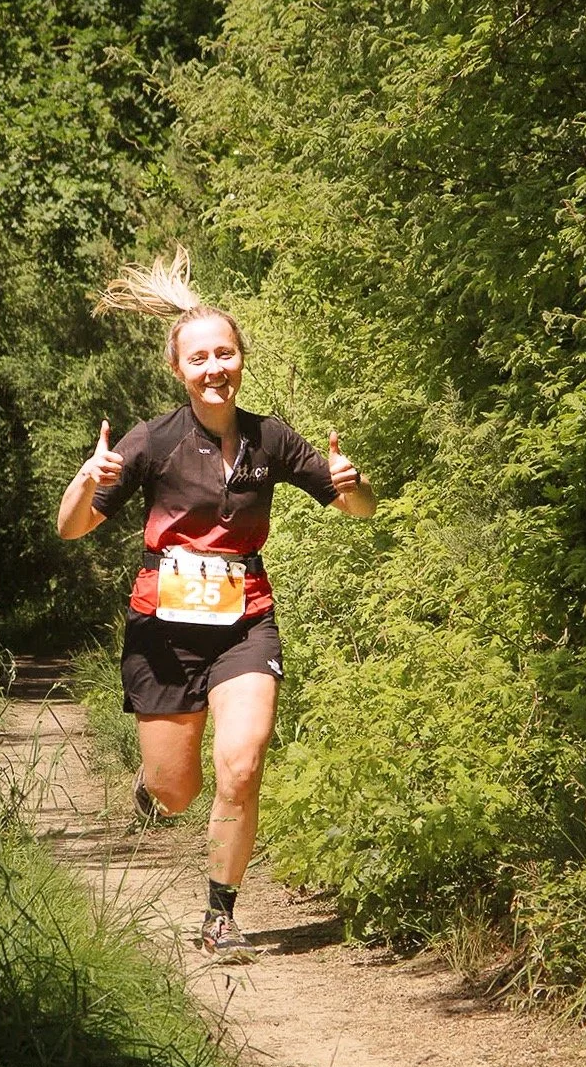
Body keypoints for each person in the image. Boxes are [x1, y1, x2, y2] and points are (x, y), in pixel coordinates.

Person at [57, 247, 376, 962]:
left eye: (224, 353)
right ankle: (151, 787)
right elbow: (71, 528)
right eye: (199, 358)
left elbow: (359, 509)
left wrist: (353, 483)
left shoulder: (273, 440)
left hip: (244, 624)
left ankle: (219, 917)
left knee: (242, 763)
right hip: (163, 632)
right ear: (179, 370)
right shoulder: (152, 441)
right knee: (177, 791)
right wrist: (85, 482)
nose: (214, 368)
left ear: (240, 359)